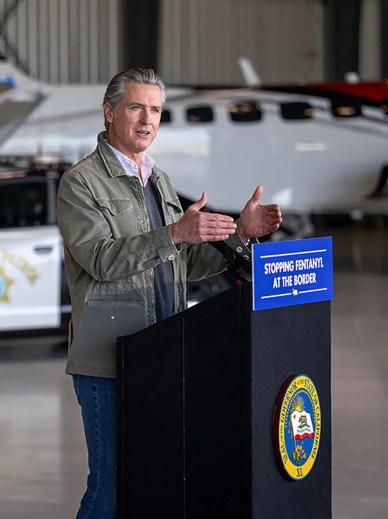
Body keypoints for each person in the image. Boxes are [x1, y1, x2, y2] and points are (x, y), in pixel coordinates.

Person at [56, 68, 282, 519]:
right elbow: (101, 260)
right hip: (109, 362)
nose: (147, 119)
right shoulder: (80, 183)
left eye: (155, 109)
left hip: (161, 355)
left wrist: (240, 234)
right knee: (110, 490)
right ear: (109, 112)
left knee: (153, 481)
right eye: (136, 107)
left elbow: (186, 263)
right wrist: (176, 233)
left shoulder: (158, 181)